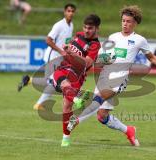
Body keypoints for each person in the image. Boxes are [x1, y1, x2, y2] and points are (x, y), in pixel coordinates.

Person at [67, 5, 156, 147]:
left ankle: (76, 120)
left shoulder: (139, 40)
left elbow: (151, 57)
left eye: (128, 21)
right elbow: (103, 57)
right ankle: (129, 130)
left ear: (135, 23)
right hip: (106, 76)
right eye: (123, 20)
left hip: (120, 78)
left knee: (97, 99)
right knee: (102, 116)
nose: (125, 23)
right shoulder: (113, 37)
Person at [53, 14, 101, 147]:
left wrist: (72, 54)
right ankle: (66, 138)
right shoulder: (78, 35)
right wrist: (67, 48)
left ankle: (66, 136)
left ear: (97, 28)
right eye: (85, 27)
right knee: (64, 100)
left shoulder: (95, 45)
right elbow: (72, 48)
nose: (86, 30)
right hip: (64, 68)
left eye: (90, 28)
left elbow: (86, 63)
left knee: (67, 107)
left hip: (76, 75)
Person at [17, 3, 76, 110]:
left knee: (53, 82)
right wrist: (61, 51)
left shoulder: (71, 25)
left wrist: (70, 45)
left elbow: (65, 41)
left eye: (72, 11)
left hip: (60, 58)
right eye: (68, 11)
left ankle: (29, 80)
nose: (70, 13)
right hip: (52, 56)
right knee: (53, 83)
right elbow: (48, 40)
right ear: (64, 12)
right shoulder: (59, 25)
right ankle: (38, 104)